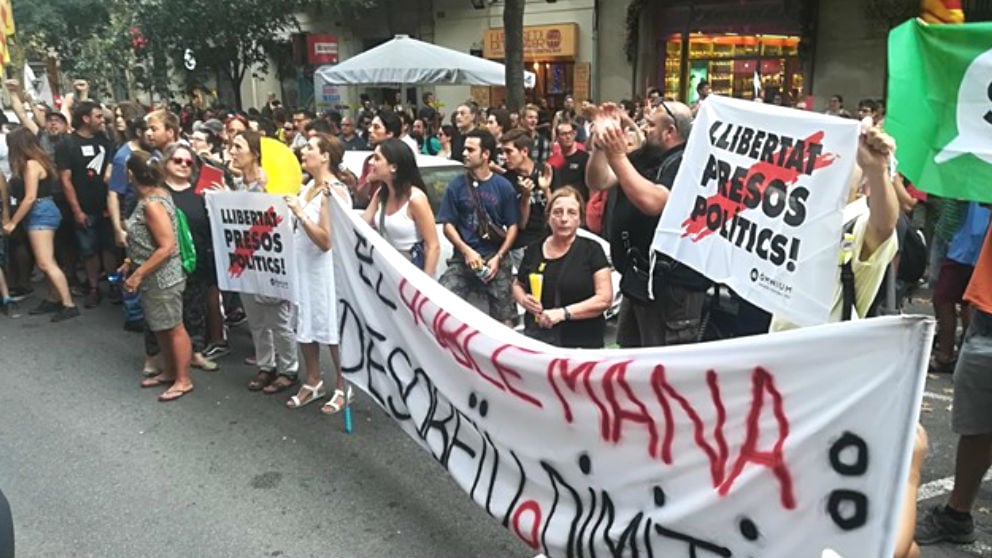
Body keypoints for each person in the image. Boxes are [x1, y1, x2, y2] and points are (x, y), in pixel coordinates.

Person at [587, 100, 709, 347]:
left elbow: (653, 202)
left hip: (671, 291)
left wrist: (617, 155)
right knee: (633, 361)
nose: (642, 127)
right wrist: (601, 146)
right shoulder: (646, 155)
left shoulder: (686, 162)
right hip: (638, 280)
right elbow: (598, 180)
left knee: (662, 369)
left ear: (670, 132)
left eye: (651, 124)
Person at [285, 133, 353, 413]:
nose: (304, 151)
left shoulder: (333, 190)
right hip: (303, 266)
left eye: (310, 147)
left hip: (325, 271)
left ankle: (342, 385)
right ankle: (313, 380)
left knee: (330, 327)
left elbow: (326, 241)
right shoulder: (309, 185)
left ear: (325, 156)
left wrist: (300, 213)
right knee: (306, 324)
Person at [230, 131, 300, 394]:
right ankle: (266, 365)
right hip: (246, 262)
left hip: (272, 262)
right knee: (256, 319)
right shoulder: (236, 186)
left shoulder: (275, 185)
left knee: (279, 319)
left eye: (238, 146)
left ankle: (288, 368)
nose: (232, 152)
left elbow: (282, 221)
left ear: (255, 154)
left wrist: (265, 189)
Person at [122, 150, 194, 402]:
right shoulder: (159, 195)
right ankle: (169, 371)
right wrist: (130, 261)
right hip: (153, 274)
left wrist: (137, 274)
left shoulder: (152, 204)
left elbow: (166, 246)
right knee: (160, 326)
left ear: (130, 174)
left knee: (173, 327)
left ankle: (183, 379)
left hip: (163, 276)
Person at [437, 129, 520, 326]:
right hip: (463, 259)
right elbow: (448, 225)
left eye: (470, 150)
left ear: (485, 155)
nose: (464, 153)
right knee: (441, 299)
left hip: (494, 257)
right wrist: (466, 251)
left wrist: (499, 257)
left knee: (505, 315)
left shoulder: (503, 187)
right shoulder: (455, 186)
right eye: (464, 149)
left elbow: (513, 226)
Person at [512, 187, 611, 348]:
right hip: (539, 341)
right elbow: (518, 284)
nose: (564, 219)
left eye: (571, 213)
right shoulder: (534, 249)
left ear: (580, 219)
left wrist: (563, 313)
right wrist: (524, 300)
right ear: (548, 217)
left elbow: (604, 299)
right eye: (557, 212)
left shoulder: (591, 250)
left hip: (581, 342)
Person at [149, 143, 218, 371]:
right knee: (162, 311)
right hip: (165, 262)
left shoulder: (202, 192)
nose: (183, 165)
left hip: (197, 261)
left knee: (195, 310)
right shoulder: (157, 192)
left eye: (188, 162)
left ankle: (195, 352)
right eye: (177, 160)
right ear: (166, 163)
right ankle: (157, 356)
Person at [2, 128, 79, 321]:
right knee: (46, 259)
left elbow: (29, 198)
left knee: (45, 262)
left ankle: (68, 304)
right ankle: (53, 297)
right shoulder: (37, 161)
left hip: (39, 212)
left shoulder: (30, 165)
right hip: (42, 211)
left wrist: (13, 222)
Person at [56, 100, 116, 309]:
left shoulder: (106, 140)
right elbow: (65, 179)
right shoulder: (67, 144)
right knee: (89, 250)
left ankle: (114, 283)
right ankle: (93, 287)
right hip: (84, 208)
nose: (102, 120)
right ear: (85, 119)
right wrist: (77, 210)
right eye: (97, 116)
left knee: (110, 248)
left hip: (107, 206)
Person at [362, 138, 440, 276]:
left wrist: (424, 287)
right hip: (387, 271)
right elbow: (361, 223)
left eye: (377, 158)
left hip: (410, 272)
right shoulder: (381, 194)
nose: (371, 162)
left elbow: (433, 246)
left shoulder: (416, 200)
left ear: (394, 167)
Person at [500, 128, 555, 267]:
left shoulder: (545, 171)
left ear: (524, 151)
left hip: (550, 240)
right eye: (502, 152)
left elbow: (558, 211)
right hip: (523, 245)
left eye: (508, 151)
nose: (504, 157)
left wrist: (546, 189)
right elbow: (521, 224)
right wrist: (525, 197)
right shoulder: (506, 181)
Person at [353, 111, 402, 208]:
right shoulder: (369, 160)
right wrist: (369, 180)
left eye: (376, 127)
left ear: (389, 133)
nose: (370, 130)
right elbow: (360, 198)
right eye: (371, 126)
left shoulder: (401, 157)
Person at [547, 120, 590, 202]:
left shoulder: (584, 157)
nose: (568, 136)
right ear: (557, 137)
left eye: (570, 133)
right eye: (564, 134)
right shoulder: (552, 160)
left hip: (579, 203)